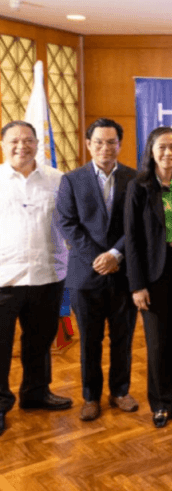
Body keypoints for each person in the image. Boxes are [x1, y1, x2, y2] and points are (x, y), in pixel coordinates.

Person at [56, 118, 139, 422]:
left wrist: (116, 254)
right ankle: (90, 396)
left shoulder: (135, 179)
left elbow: (139, 224)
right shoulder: (71, 180)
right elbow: (67, 223)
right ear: (88, 144)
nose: (106, 147)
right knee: (90, 340)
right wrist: (100, 257)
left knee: (122, 337)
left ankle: (120, 391)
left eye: (112, 142)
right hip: (85, 276)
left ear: (120, 144)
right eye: (99, 142)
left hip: (124, 271)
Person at [0, 121, 72, 436]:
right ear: (3, 144)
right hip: (4, 277)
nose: (22, 146)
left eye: (28, 140)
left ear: (37, 143)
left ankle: (36, 392)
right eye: (14, 141)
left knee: (39, 341)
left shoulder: (57, 180)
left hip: (48, 273)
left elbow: (71, 223)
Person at [124, 126, 172, 428]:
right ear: (151, 151)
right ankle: (160, 402)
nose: (168, 153)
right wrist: (137, 285)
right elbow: (131, 239)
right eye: (162, 148)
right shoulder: (139, 186)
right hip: (152, 275)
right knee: (156, 343)